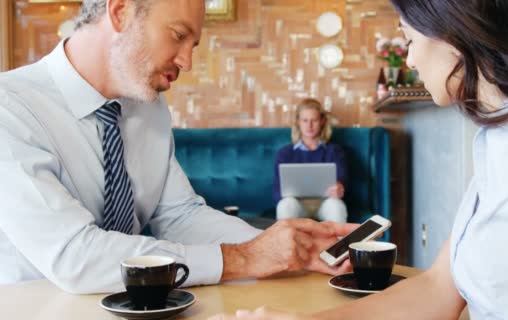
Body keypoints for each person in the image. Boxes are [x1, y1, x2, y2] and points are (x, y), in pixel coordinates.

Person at [210, 0, 508, 319]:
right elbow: (438, 290)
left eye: (409, 39)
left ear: (451, 31)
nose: (410, 60)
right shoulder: (498, 138)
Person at [0, 0, 355, 294]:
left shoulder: (148, 107)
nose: (187, 61)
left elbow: (180, 216)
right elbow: (74, 257)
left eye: (193, 45)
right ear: (121, 12)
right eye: (178, 35)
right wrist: (246, 258)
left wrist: (289, 246)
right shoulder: (9, 107)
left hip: (141, 305)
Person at [273, 98, 348, 223]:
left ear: (322, 121)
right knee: (285, 205)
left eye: (314, 120)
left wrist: (340, 187)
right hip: (297, 204)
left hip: (326, 203)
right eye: (305, 120)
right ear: (298, 122)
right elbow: (276, 192)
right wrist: (286, 194)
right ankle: (286, 242)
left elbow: (344, 180)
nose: (309, 125)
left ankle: (340, 243)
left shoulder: (335, 151)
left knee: (337, 207)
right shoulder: (284, 153)